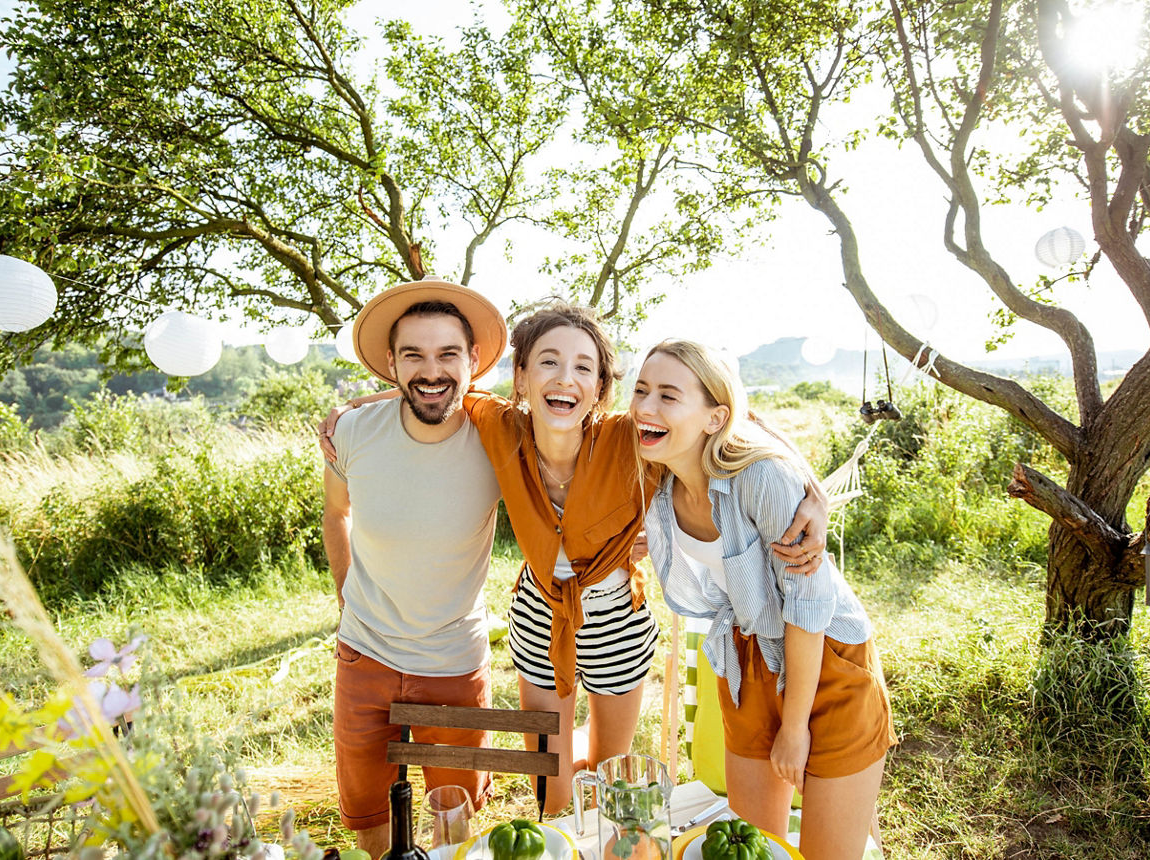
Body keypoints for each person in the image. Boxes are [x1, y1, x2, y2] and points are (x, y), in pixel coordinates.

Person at [323, 301, 830, 815]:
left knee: (615, 774)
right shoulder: (500, 426)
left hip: (617, 616)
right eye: (547, 362)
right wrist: (354, 405)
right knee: (550, 780)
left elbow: (736, 426)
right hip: (539, 612)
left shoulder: (633, 438)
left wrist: (811, 489)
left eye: (583, 367)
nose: (564, 378)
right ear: (519, 378)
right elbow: (438, 384)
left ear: (601, 389)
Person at [631, 339, 895, 860]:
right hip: (746, 656)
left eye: (667, 395)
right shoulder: (659, 481)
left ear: (714, 418)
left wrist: (795, 727)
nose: (644, 407)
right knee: (753, 850)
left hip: (824, 661)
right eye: (640, 390)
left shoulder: (759, 477)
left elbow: (808, 606)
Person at [321, 277, 507, 856]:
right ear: (391, 363)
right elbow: (336, 514)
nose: (431, 370)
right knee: (370, 816)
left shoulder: (499, 436)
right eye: (414, 356)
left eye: (448, 354)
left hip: (452, 662)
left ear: (473, 360)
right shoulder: (350, 432)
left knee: (453, 825)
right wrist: (348, 596)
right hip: (364, 656)